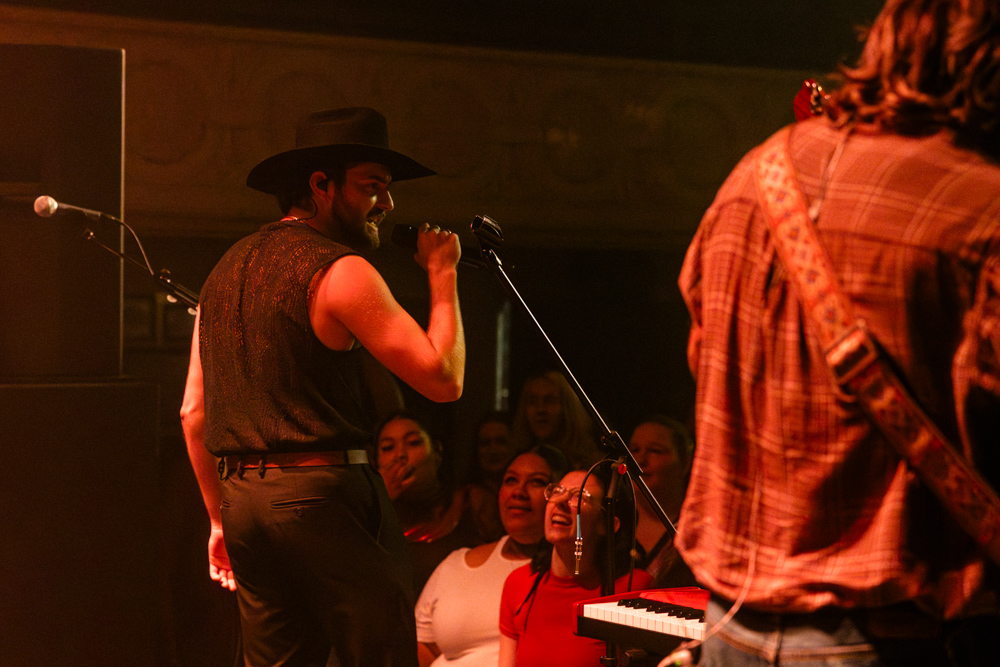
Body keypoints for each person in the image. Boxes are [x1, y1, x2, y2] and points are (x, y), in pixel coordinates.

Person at [675, 1, 1000, 664]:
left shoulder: (753, 178)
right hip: (897, 639)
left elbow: (703, 366)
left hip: (729, 631)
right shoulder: (981, 209)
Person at [179, 106, 465, 667]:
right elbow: (443, 379)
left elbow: (192, 412)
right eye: (373, 187)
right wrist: (443, 273)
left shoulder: (222, 273)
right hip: (324, 496)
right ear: (320, 186)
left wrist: (217, 518)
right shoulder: (339, 269)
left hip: (244, 502)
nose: (387, 203)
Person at [414, 445, 568, 667]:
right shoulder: (456, 563)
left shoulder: (571, 573)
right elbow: (424, 648)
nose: (519, 492)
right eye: (511, 480)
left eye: (536, 482)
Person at [498, 467, 654, 667]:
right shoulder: (519, 583)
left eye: (579, 497)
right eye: (557, 491)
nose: (561, 502)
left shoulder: (633, 588)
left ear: (606, 525)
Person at [375, 411, 483, 592]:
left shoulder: (469, 502)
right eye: (387, 447)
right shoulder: (369, 517)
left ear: (436, 452)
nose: (399, 455)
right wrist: (382, 501)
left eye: (413, 443)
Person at [628, 416, 697, 590]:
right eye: (634, 450)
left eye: (656, 451)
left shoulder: (696, 528)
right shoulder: (613, 518)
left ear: (685, 462)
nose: (640, 460)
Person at [510, 370, 601, 469]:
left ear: (567, 407)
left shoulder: (595, 466)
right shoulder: (515, 462)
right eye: (533, 401)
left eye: (549, 401)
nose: (540, 409)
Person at [463, 411, 517, 542]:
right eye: (485, 443)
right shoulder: (465, 498)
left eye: (500, 442)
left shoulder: (522, 495)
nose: (493, 450)